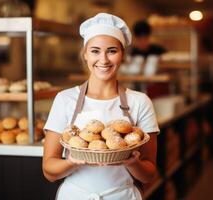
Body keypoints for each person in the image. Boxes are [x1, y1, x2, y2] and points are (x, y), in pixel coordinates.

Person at [42, 13, 160, 200]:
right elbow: (49, 171)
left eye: (112, 51)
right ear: (85, 54)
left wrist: (131, 163)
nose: (103, 60)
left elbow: (149, 174)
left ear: (122, 55)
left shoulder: (140, 101)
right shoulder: (65, 99)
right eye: (95, 51)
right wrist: (72, 161)